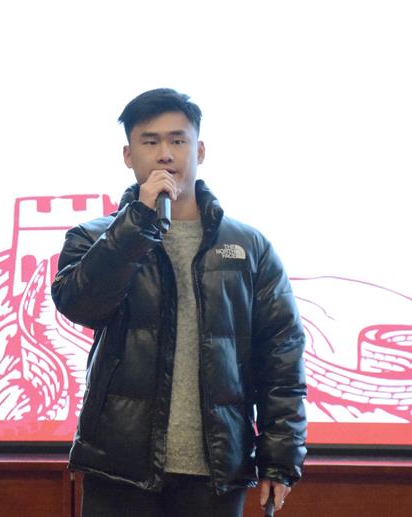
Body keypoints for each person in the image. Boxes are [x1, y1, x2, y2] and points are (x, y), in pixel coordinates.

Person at [51, 88, 307, 517]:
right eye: (150, 141)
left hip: (215, 472)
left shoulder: (249, 247)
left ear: (199, 150)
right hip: (119, 466)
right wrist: (136, 224)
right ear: (128, 156)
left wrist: (279, 459)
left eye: (177, 140)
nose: (165, 154)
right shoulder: (95, 238)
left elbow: (281, 355)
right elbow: (81, 305)